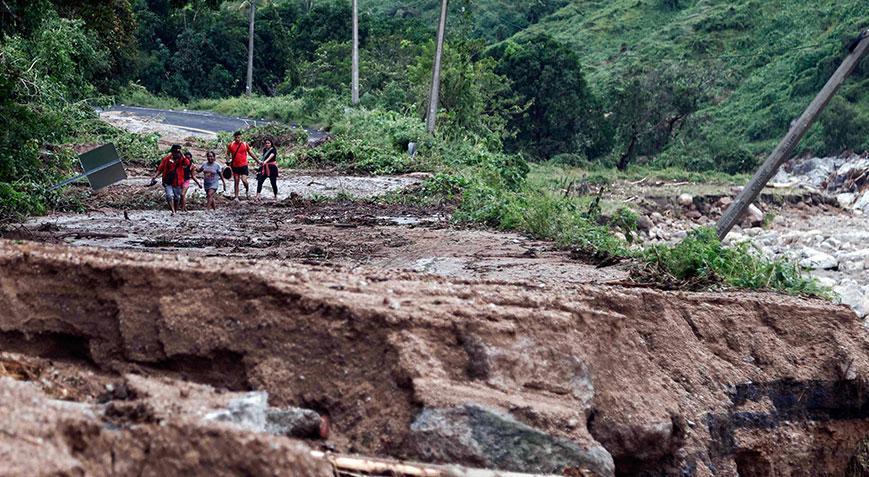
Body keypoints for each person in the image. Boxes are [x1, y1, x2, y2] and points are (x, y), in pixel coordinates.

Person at [149, 145, 188, 214]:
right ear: (172, 152)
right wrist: (155, 176)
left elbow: (187, 163)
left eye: (178, 152)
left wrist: (183, 156)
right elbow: (160, 169)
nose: (176, 154)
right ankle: (173, 211)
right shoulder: (167, 159)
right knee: (169, 195)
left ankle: (175, 210)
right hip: (167, 180)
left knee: (177, 198)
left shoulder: (182, 159)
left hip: (178, 182)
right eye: (175, 152)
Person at [226, 131, 258, 201]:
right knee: (236, 181)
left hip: (244, 165)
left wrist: (257, 161)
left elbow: (251, 153)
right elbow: (227, 154)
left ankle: (247, 189)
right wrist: (228, 160)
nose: (237, 139)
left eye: (239, 137)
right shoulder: (230, 145)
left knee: (244, 180)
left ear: (241, 137)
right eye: (236, 137)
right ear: (234, 137)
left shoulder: (245, 144)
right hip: (234, 166)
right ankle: (236, 197)